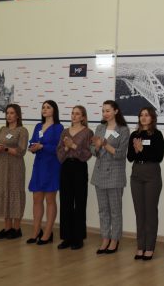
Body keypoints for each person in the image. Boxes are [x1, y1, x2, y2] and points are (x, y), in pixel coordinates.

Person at [90, 100, 130, 254]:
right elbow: (93, 150)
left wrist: (105, 144)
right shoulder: (100, 128)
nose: (105, 114)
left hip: (115, 175)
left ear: (116, 111)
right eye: (103, 111)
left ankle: (115, 239)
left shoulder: (123, 130)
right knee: (103, 210)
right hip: (99, 174)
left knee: (115, 210)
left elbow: (120, 154)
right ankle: (105, 238)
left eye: (108, 111)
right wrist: (97, 146)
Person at [127, 106, 164, 261]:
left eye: (147, 115)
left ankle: (149, 247)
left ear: (152, 118)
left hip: (151, 174)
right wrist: (136, 150)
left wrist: (142, 149)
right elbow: (130, 157)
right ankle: (140, 246)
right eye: (141, 115)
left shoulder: (157, 135)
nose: (143, 117)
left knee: (150, 212)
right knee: (139, 212)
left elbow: (158, 156)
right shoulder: (134, 135)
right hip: (136, 173)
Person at [27, 100, 64, 245]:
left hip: (51, 166)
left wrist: (42, 146)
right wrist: (32, 147)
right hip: (39, 165)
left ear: (54, 110)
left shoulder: (58, 127)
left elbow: (59, 148)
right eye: (43, 107)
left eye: (48, 107)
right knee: (36, 199)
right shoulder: (38, 126)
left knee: (50, 200)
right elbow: (32, 141)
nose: (45, 109)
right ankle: (36, 231)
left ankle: (48, 233)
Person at [56, 105, 93, 250]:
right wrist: (66, 147)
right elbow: (59, 154)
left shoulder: (88, 132)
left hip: (79, 167)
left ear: (83, 117)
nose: (74, 116)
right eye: (72, 113)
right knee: (65, 202)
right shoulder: (65, 132)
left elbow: (87, 154)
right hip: (66, 167)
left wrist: (73, 146)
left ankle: (78, 238)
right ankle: (67, 237)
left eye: (77, 114)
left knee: (80, 202)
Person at [0, 104, 29, 240]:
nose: (9, 115)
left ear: (17, 115)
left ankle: (16, 229)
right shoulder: (2, 129)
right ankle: (7, 228)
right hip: (1, 167)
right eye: (7, 113)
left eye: (12, 113)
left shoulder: (22, 130)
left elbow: (21, 151)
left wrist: (5, 148)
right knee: (5, 194)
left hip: (15, 167)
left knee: (14, 193)